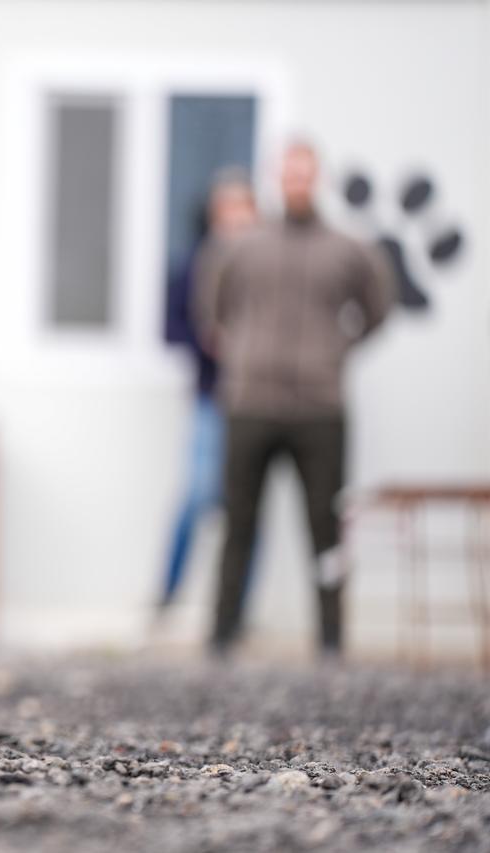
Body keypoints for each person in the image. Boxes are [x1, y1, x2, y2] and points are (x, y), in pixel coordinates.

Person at [195, 141, 395, 657]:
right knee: (239, 522)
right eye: (289, 172)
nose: (297, 181)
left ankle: (330, 640)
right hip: (250, 404)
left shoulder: (349, 250)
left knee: (324, 526)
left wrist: (335, 352)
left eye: (305, 172)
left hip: (320, 407)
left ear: (317, 178)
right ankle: (222, 636)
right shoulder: (242, 247)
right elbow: (211, 310)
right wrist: (241, 353)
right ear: (276, 178)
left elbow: (378, 309)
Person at [160, 169, 258, 611]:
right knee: (198, 496)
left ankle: (235, 607)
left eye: (242, 208)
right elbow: (171, 326)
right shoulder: (195, 264)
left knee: (246, 509)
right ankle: (169, 595)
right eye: (226, 209)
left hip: (258, 401)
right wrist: (204, 340)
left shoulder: (267, 266)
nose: (234, 219)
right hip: (212, 398)